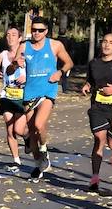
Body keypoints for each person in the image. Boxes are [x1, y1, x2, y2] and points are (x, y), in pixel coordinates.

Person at [19, 16, 74, 181]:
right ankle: (39, 164)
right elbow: (12, 68)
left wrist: (60, 72)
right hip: (29, 93)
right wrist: (15, 65)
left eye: (40, 30)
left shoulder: (55, 45)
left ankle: (43, 149)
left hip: (48, 91)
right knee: (31, 133)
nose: (36, 33)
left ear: (46, 31)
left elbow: (69, 62)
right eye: (33, 30)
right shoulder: (24, 46)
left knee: (39, 125)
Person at [82, 32, 112, 192]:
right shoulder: (94, 63)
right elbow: (90, 80)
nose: (107, 45)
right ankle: (95, 178)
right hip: (97, 107)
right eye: (104, 41)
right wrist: (87, 86)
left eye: (111, 42)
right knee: (99, 138)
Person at [0, 26, 28, 171]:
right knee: (10, 129)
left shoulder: (26, 55)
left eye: (13, 35)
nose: (10, 37)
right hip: (7, 96)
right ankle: (16, 161)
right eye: (7, 35)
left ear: (20, 38)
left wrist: (26, 78)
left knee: (19, 129)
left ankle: (27, 136)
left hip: (23, 97)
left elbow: (36, 74)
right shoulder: (3, 55)